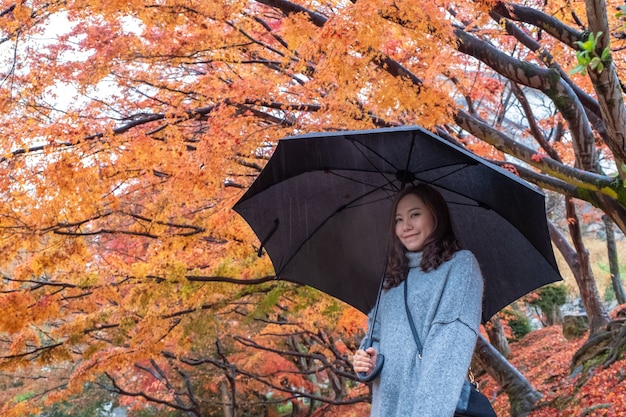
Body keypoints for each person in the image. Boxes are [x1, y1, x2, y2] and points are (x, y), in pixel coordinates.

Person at [352, 183, 484, 417]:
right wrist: (366, 359)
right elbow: (375, 337)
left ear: (436, 215)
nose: (406, 227)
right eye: (398, 219)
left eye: (415, 214)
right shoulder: (391, 279)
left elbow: (447, 351)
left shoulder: (460, 267)